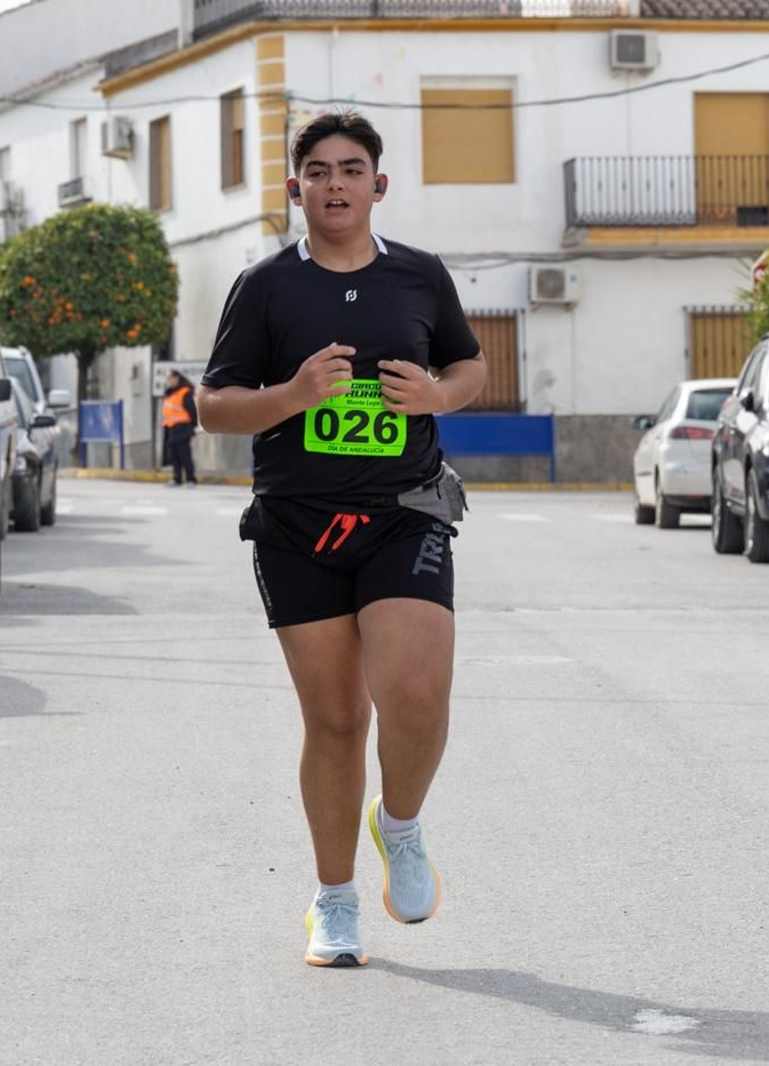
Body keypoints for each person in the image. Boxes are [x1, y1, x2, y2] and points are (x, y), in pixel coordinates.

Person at [197, 110, 486, 968]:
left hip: (406, 509)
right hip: (297, 524)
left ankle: (399, 824)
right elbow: (214, 406)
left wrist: (436, 395)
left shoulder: (421, 278)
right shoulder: (264, 287)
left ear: (378, 185)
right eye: (317, 171)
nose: (334, 185)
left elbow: (469, 367)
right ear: (297, 189)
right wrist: (291, 395)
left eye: (351, 170)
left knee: (416, 693)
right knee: (332, 720)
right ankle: (334, 901)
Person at [161, 370, 198, 486]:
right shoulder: (169, 393)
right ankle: (177, 478)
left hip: (182, 428)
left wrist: (192, 426)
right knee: (174, 455)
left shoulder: (184, 392)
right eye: (167, 379)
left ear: (177, 378)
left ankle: (190, 479)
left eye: (170, 378)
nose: (168, 381)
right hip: (170, 428)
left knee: (184, 455)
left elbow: (192, 410)